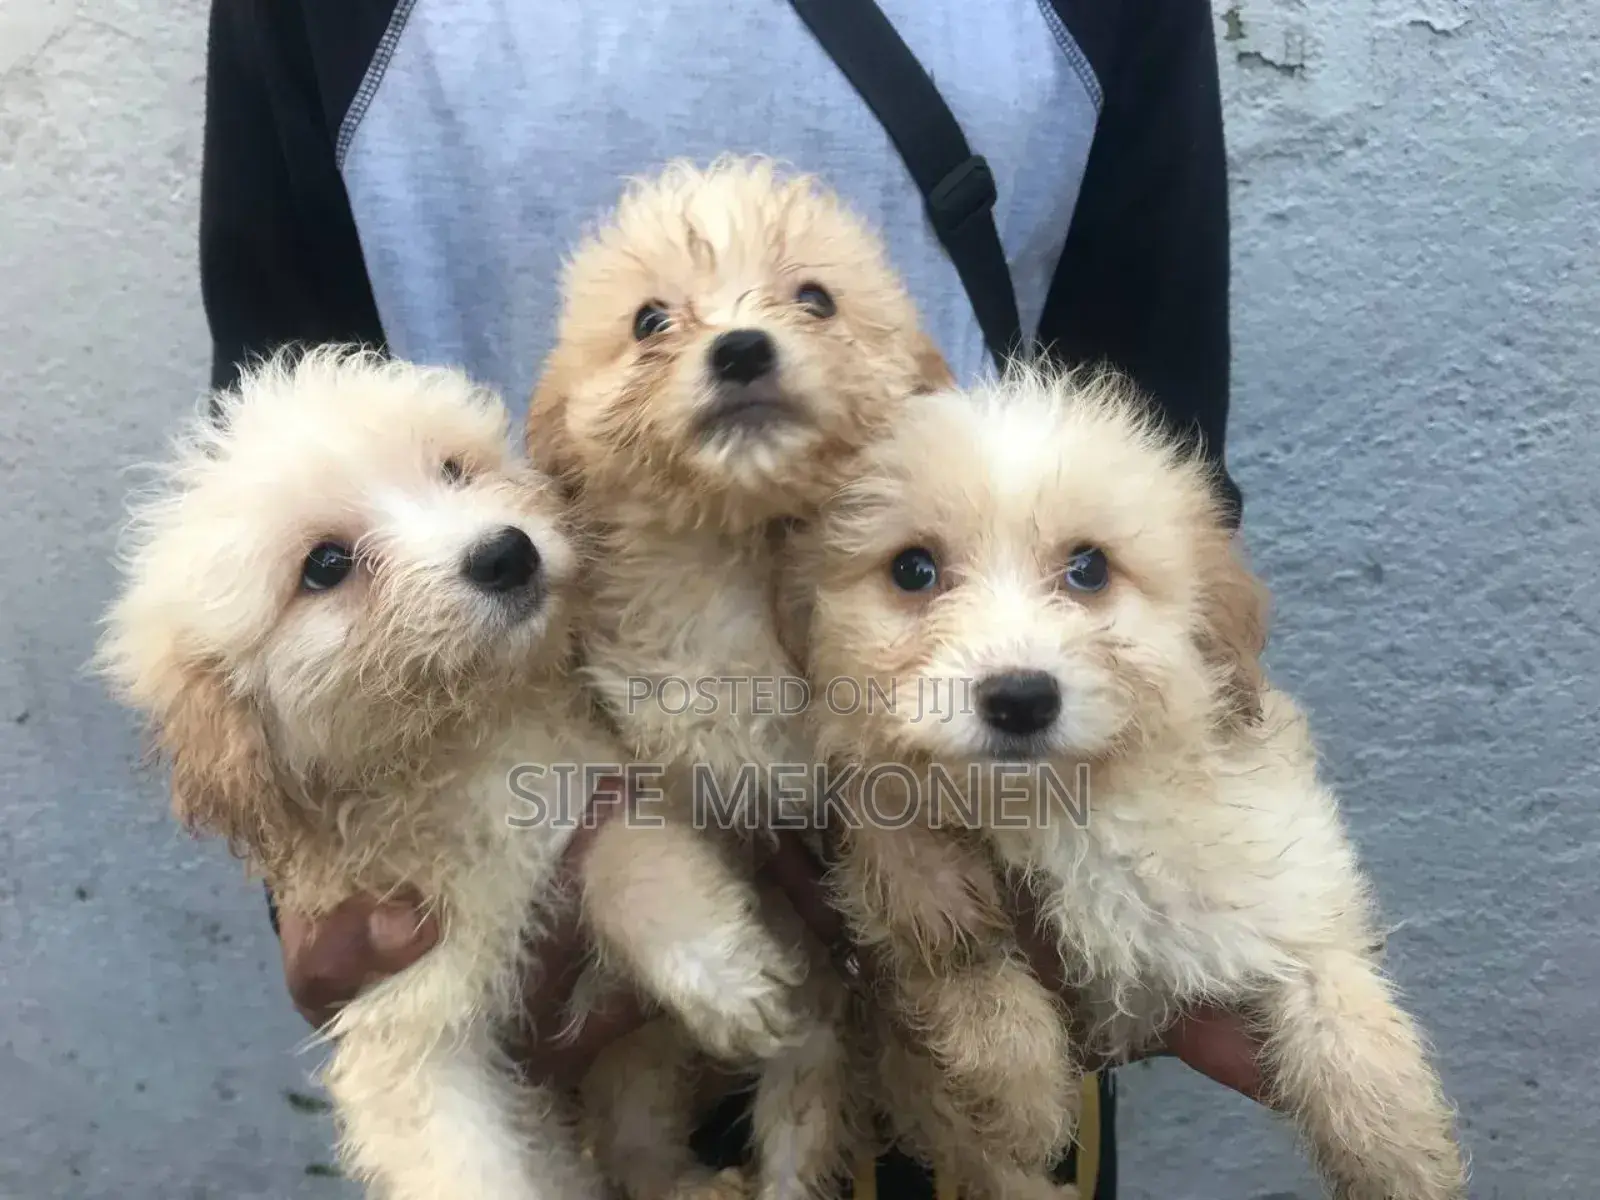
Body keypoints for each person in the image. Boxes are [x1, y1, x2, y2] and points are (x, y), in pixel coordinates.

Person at [198, 0, 1260, 1195]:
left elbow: (1155, 474)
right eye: (653, 325)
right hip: (541, 913)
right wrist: (317, 880)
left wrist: (1181, 833)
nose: (736, 342)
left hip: (985, 865)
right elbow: (282, 469)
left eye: (806, 301)